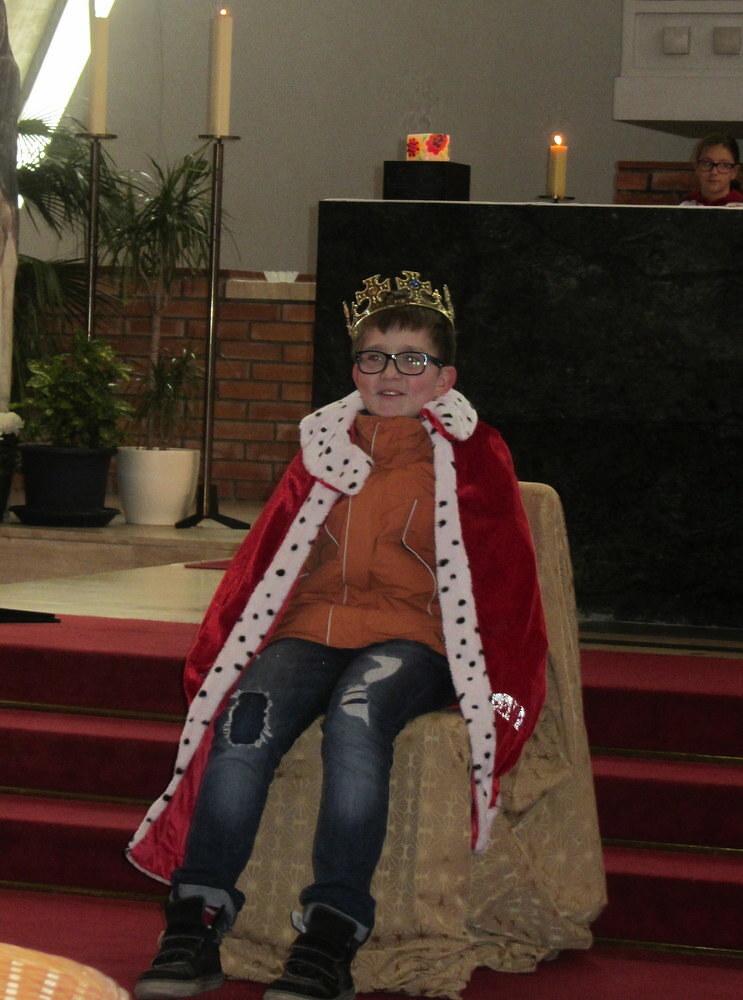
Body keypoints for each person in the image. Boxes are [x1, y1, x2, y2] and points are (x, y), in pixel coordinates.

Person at [128, 270, 548, 1000]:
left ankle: (330, 934)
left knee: (358, 717)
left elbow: (504, 580)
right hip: (311, 629)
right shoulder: (323, 445)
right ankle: (196, 921)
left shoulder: (471, 454)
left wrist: (501, 690)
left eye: (411, 359)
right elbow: (266, 562)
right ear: (354, 369)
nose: (391, 374)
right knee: (246, 719)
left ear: (444, 376)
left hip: (415, 638)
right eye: (374, 358)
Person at [679, 133, 743, 206]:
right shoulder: (686, 207)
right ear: (697, 167)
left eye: (724, 165)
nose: (714, 172)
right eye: (707, 163)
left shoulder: (739, 208)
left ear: (734, 171)